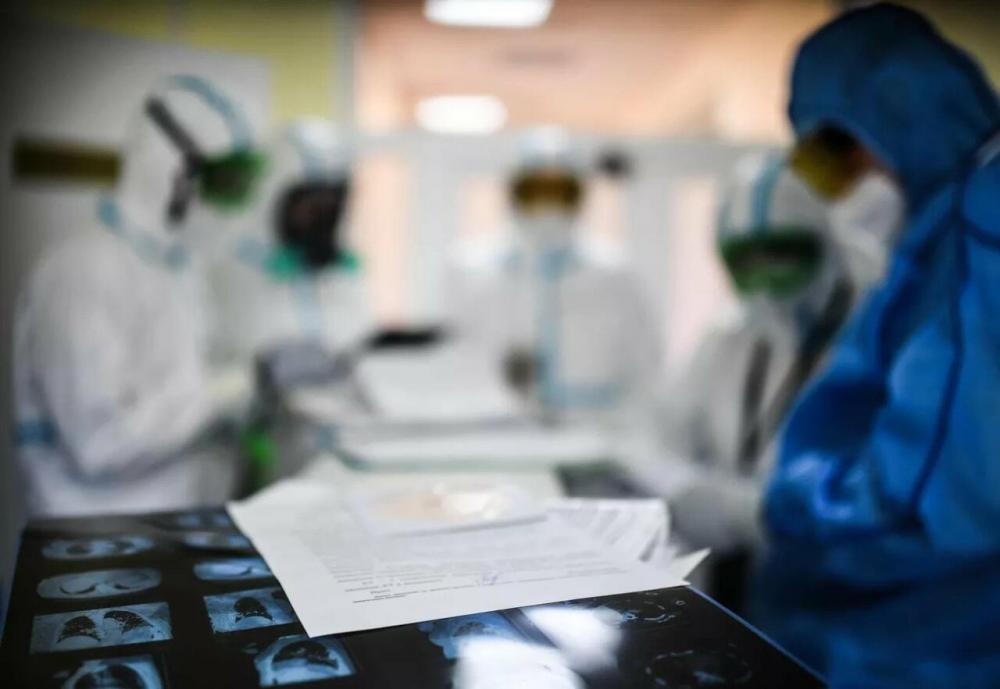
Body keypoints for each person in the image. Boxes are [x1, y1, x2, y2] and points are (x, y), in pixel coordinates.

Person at [750, 5, 1000, 687]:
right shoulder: (932, 244)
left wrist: (788, 506)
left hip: (940, 646)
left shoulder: (982, 217)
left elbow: (930, 499)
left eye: (836, 152)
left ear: (905, 108)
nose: (841, 185)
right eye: (818, 169)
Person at [13, 75, 264, 517]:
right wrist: (224, 392)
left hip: (179, 517)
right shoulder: (82, 271)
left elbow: (182, 376)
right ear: (173, 171)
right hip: (103, 535)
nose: (228, 206)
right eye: (220, 183)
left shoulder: (178, 267)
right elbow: (99, 445)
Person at [624, 152, 855, 611]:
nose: (764, 277)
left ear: (824, 240)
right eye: (744, 259)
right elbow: (651, 436)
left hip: (837, 595)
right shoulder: (730, 334)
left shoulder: (869, 332)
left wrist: (759, 511)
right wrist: (686, 487)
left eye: (783, 252)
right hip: (733, 582)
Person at [449, 128, 659, 423]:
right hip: (494, 429)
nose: (547, 205)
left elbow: (646, 368)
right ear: (514, 194)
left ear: (579, 196)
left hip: (595, 430)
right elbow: (448, 361)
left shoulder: (617, 275)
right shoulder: (469, 271)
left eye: (559, 193)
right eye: (534, 192)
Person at [206, 119, 373, 370]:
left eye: (332, 204)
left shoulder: (338, 269)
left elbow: (355, 336)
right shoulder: (230, 263)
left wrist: (338, 280)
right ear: (273, 197)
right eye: (310, 205)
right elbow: (247, 343)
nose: (320, 217)